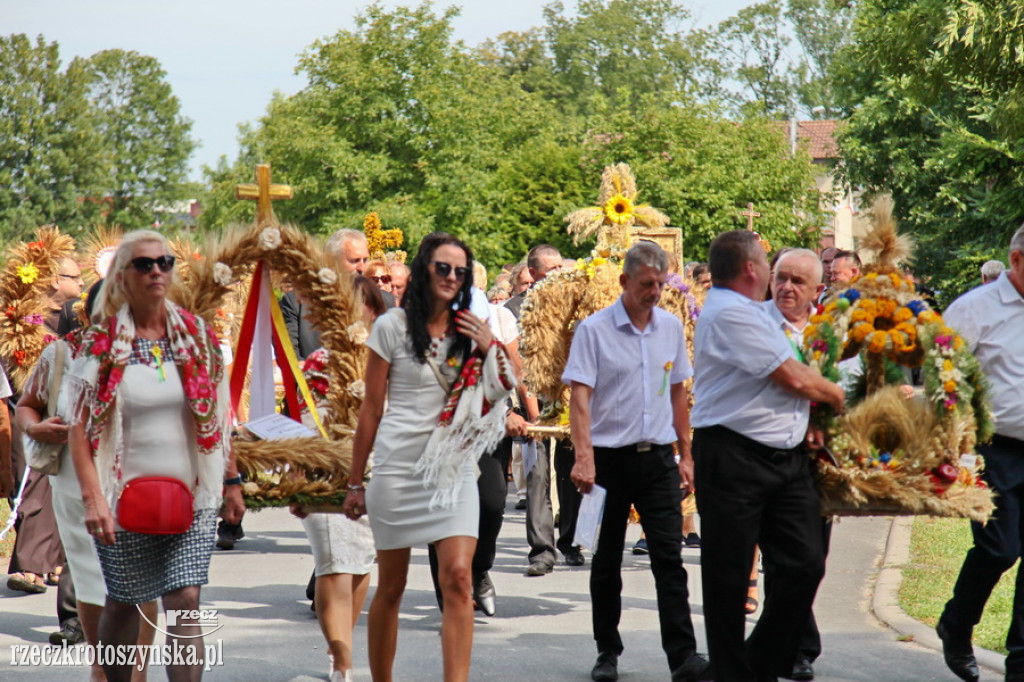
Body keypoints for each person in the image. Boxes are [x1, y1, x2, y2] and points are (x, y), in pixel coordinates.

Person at [66, 230, 245, 682]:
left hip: (193, 494)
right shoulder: (101, 344)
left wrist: (230, 481)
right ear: (123, 278)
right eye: (145, 264)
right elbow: (79, 432)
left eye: (164, 262)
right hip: (123, 497)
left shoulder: (198, 336)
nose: (157, 271)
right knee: (125, 600)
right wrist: (93, 500)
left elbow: (220, 418)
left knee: (186, 600)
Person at [340, 232, 515, 682]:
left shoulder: (472, 329)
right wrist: (355, 482)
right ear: (422, 271)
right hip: (398, 469)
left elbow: (502, 389)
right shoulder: (392, 327)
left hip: (452, 469)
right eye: (442, 267)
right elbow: (372, 410)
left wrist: (488, 346)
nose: (451, 277)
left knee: (458, 579)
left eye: (460, 271)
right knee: (392, 589)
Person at [691, 230, 844, 681]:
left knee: (805, 563)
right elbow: (793, 378)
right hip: (733, 455)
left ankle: (756, 664)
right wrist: (837, 396)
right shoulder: (729, 313)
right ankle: (731, 672)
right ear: (755, 271)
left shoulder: (749, 312)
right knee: (729, 576)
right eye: (774, 270)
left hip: (786, 458)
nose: (783, 285)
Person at [565, 240, 710, 682]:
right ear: (625, 281)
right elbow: (580, 399)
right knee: (607, 561)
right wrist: (584, 459)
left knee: (669, 559)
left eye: (661, 285)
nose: (655, 292)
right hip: (608, 463)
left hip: (658, 462)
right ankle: (607, 651)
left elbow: (678, 393)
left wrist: (686, 454)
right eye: (646, 284)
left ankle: (683, 657)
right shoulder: (594, 330)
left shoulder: (669, 327)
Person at [18, 279, 158, 681]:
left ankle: (136, 672)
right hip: (73, 488)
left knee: (139, 580)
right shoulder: (61, 353)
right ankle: (103, 668)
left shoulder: (157, 355)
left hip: (140, 482)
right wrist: (37, 427)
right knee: (90, 578)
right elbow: (28, 405)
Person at [936, 224, 1024, 682]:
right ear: (1016, 260)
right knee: (1000, 549)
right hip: (994, 449)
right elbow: (942, 374)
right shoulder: (975, 309)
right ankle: (957, 622)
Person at [762, 249, 834, 680]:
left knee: (812, 558)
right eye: (781, 278)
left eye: (797, 282)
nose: (787, 288)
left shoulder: (829, 333)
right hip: (768, 454)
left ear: (817, 291)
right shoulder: (755, 323)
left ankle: (791, 641)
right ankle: (795, 647)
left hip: (818, 458)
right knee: (780, 557)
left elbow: (846, 382)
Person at [504, 244, 565, 575]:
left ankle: (569, 537)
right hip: (533, 401)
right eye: (552, 269)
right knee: (538, 473)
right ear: (535, 272)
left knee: (571, 473)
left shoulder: (573, 303)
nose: (559, 274)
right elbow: (516, 364)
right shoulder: (514, 310)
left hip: (569, 397)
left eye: (561, 268)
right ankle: (542, 549)